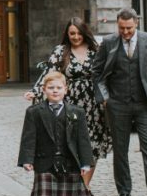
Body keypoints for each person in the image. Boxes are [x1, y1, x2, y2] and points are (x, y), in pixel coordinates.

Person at [89, 8, 147, 196]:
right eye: (121, 28)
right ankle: (124, 192)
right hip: (117, 105)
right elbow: (96, 72)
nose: (125, 32)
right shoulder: (108, 43)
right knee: (120, 150)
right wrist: (105, 98)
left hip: (146, 105)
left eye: (129, 28)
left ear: (137, 23)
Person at [25, 18, 111, 180]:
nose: (76, 36)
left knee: (91, 145)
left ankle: (84, 186)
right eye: (72, 33)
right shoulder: (60, 51)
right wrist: (36, 91)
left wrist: (109, 96)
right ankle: (72, 180)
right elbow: (49, 74)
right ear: (67, 34)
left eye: (79, 33)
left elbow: (106, 75)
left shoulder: (96, 50)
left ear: (85, 33)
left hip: (93, 105)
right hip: (70, 102)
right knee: (70, 142)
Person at [17, 71, 94, 196]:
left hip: (68, 162)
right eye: (51, 88)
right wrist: (27, 160)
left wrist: (85, 163)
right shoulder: (34, 112)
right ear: (44, 90)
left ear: (65, 90)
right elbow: (29, 138)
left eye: (59, 88)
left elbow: (83, 140)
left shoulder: (77, 112)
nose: (55, 91)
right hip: (44, 161)